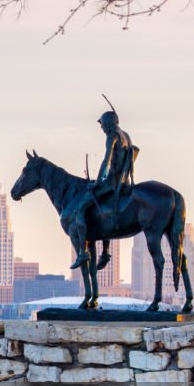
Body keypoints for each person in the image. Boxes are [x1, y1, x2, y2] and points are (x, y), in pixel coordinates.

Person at [67, 110, 139, 269]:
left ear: (108, 123)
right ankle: (105, 253)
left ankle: (83, 252)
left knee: (79, 209)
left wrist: (98, 182)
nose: (102, 129)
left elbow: (106, 161)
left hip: (111, 182)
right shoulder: (125, 135)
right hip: (124, 181)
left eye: (102, 125)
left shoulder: (112, 137)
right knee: (102, 209)